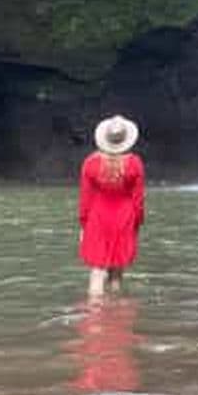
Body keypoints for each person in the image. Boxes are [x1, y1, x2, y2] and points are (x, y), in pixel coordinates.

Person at [78, 114, 145, 298]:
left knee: (97, 271)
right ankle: (117, 314)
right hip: (124, 216)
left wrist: (83, 225)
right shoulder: (134, 164)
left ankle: (96, 315)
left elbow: (85, 199)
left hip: (98, 217)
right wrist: (137, 223)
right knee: (117, 271)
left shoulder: (90, 163)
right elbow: (138, 200)